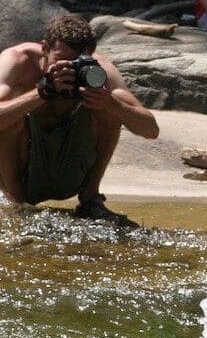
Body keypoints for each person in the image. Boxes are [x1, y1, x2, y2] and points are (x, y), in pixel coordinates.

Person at [0, 14, 159, 226]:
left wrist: (111, 104)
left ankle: (90, 199)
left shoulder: (98, 69)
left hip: (69, 169)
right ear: (44, 48)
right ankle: (17, 205)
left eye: (75, 63)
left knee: (114, 105)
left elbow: (151, 130)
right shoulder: (18, 61)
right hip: (18, 171)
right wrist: (41, 93)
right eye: (60, 60)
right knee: (11, 116)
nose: (68, 69)